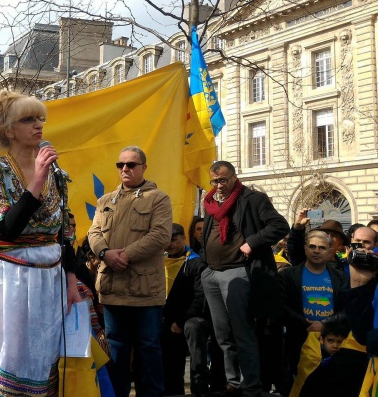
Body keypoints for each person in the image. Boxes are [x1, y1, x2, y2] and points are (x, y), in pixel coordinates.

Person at [0, 91, 81, 397]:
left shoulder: (56, 173)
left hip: (49, 278)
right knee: (10, 351)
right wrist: (37, 180)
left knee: (42, 353)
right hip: (9, 279)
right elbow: (6, 229)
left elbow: (65, 231)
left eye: (40, 119)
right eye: (28, 119)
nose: (38, 125)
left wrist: (72, 280)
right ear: (9, 130)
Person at [88, 146, 172, 397]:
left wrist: (123, 255)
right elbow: (94, 233)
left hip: (145, 291)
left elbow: (160, 236)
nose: (124, 168)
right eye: (120, 164)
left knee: (148, 348)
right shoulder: (105, 201)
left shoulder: (158, 198)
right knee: (116, 349)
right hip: (113, 288)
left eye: (131, 164)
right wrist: (105, 253)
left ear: (144, 168)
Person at [201, 160, 288, 397]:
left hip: (238, 272)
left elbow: (280, 225)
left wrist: (252, 242)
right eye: (214, 181)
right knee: (223, 335)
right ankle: (233, 383)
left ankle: (251, 386)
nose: (219, 185)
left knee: (243, 333)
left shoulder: (253, 199)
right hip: (212, 274)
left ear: (234, 177)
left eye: (223, 180)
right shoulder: (210, 203)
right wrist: (204, 266)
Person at [279, 229, 347, 378]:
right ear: (305, 249)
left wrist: (325, 324)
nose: (316, 251)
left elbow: (347, 308)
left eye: (322, 247)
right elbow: (280, 306)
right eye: (312, 246)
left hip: (332, 342)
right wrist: (304, 324)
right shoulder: (288, 275)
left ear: (330, 252)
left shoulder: (341, 277)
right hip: (298, 339)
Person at [162, 222, 199, 396]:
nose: (169, 244)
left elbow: (198, 297)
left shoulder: (195, 263)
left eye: (173, 239)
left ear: (183, 238)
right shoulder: (158, 261)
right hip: (159, 321)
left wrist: (181, 321)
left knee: (175, 368)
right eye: (166, 240)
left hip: (179, 324)